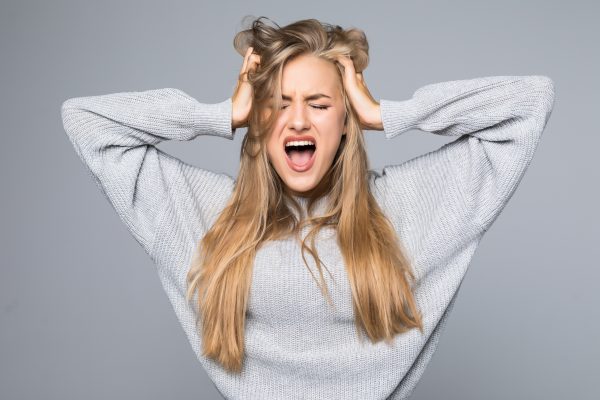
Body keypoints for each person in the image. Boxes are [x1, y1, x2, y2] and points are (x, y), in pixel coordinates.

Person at [61, 16, 555, 400]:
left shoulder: (405, 210)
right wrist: (223, 114)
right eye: (278, 103)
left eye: (319, 104)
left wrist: (384, 113)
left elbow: (531, 101)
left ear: (345, 119)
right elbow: (85, 122)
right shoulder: (210, 216)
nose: (297, 120)